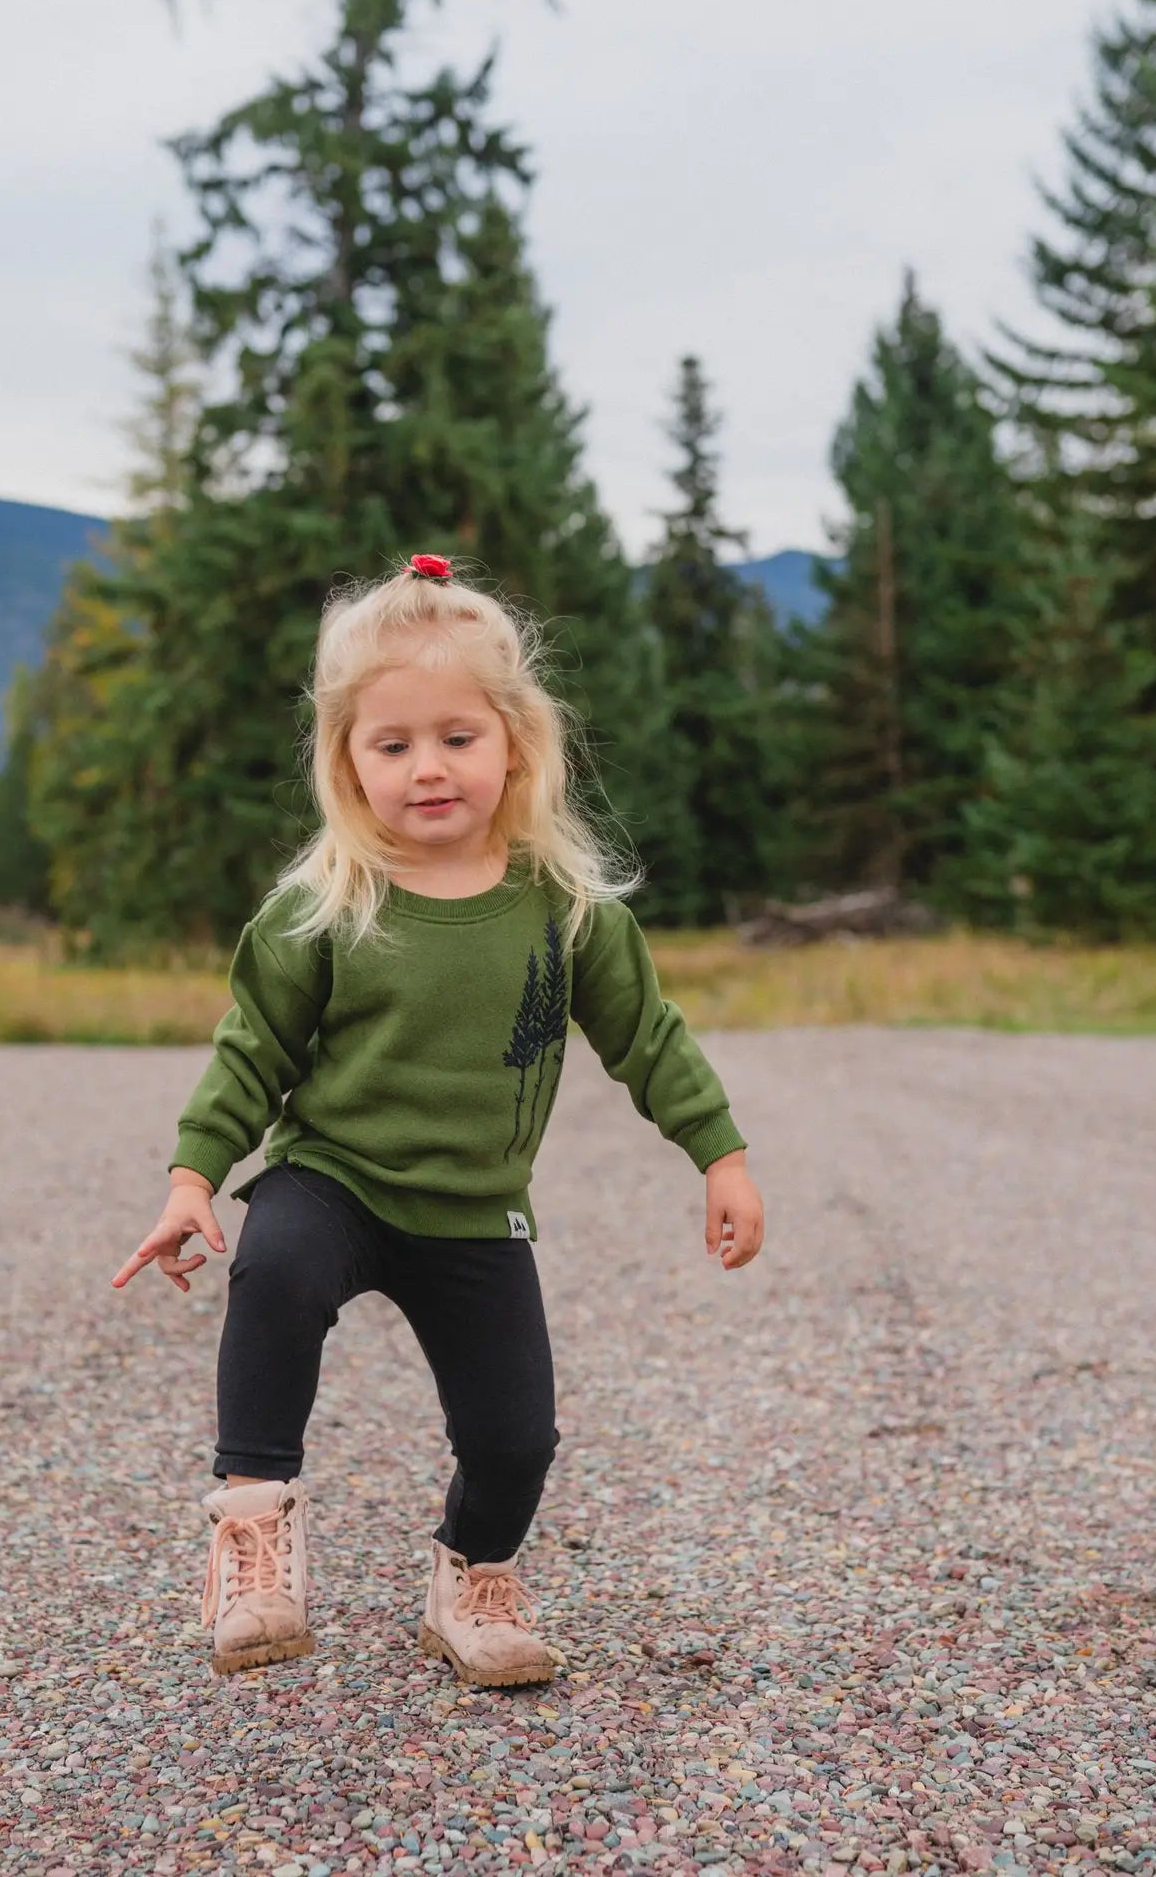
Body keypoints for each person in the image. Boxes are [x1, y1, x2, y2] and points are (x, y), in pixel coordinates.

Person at [111, 554, 765, 1686]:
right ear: (346, 760)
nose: (427, 768)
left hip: (474, 1211)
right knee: (276, 1269)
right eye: (393, 744)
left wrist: (723, 1156)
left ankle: (473, 1579)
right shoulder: (324, 906)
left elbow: (648, 1037)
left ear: (515, 742)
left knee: (518, 1436)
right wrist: (192, 1179)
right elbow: (251, 1051)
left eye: (457, 738)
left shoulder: (567, 912)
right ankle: (256, 1539)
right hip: (337, 1177)